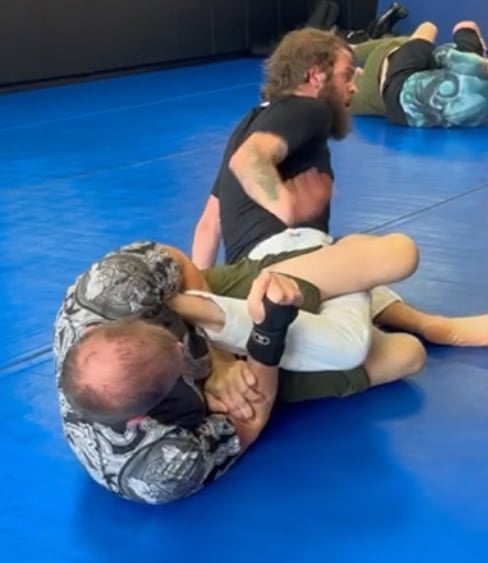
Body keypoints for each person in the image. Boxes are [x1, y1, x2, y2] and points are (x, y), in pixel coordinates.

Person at [54, 234, 422, 505]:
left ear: (92, 331)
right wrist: (270, 327)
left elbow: (180, 263)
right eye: (179, 362)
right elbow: (251, 419)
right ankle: (349, 288)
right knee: (408, 355)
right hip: (254, 378)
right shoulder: (157, 465)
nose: (182, 347)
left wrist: (220, 358)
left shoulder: (106, 293)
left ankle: (315, 266)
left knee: (398, 257)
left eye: (168, 336)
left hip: (206, 307)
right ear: (140, 418)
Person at [191, 26, 488, 349]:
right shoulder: (309, 108)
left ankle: (425, 324)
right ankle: (432, 325)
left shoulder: (248, 125)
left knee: (403, 352)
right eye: (347, 75)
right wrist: (287, 206)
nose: (354, 87)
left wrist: (201, 300)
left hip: (254, 276)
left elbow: (209, 224)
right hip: (271, 269)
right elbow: (249, 161)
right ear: (316, 76)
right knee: (400, 253)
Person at [379, 20, 488, 127]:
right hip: (405, 116)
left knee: (429, 27)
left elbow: (465, 25)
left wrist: (479, 47)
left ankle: (384, 43)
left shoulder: (471, 61)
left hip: (399, 88)